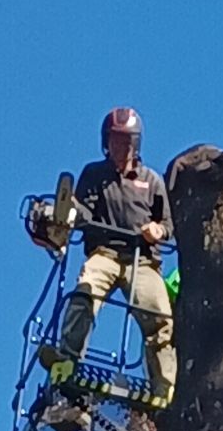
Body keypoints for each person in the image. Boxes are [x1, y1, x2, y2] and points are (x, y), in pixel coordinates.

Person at [41, 107, 176, 408]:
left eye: (127, 140)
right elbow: (84, 213)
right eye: (116, 140)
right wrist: (70, 212)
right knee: (84, 295)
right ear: (107, 141)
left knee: (160, 318)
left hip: (142, 259)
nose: (121, 146)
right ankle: (67, 359)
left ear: (137, 144)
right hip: (104, 253)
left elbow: (169, 224)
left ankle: (166, 387)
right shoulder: (94, 175)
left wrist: (159, 231)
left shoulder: (152, 181)